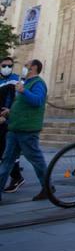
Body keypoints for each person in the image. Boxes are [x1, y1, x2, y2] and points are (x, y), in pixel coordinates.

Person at [0, 59, 49, 203]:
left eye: (26, 66)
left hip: (27, 130)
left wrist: (24, 91)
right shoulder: (26, 83)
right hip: (15, 128)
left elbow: (38, 101)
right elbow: (21, 104)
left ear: (33, 68)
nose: (24, 68)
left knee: (36, 160)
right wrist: (9, 111)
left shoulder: (38, 83)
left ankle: (47, 187)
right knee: (7, 161)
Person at [0, 55, 25, 192]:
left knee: (6, 151)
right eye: (4, 66)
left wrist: (8, 112)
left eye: (9, 65)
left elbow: (15, 98)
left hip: (7, 121)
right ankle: (17, 177)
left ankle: (17, 177)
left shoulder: (15, 80)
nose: (7, 68)